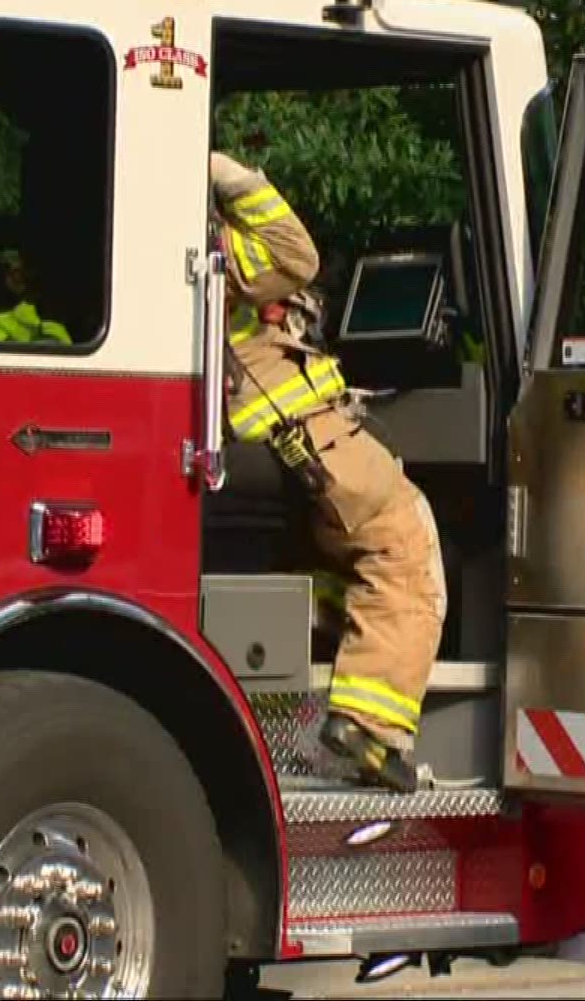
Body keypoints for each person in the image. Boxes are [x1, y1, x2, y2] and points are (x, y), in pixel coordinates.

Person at [208, 151, 446, 792]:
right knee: (407, 541)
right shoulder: (205, 248)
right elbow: (296, 255)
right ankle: (367, 728)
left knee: (347, 577)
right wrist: (230, 173)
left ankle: (340, 710)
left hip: (282, 449)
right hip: (309, 437)